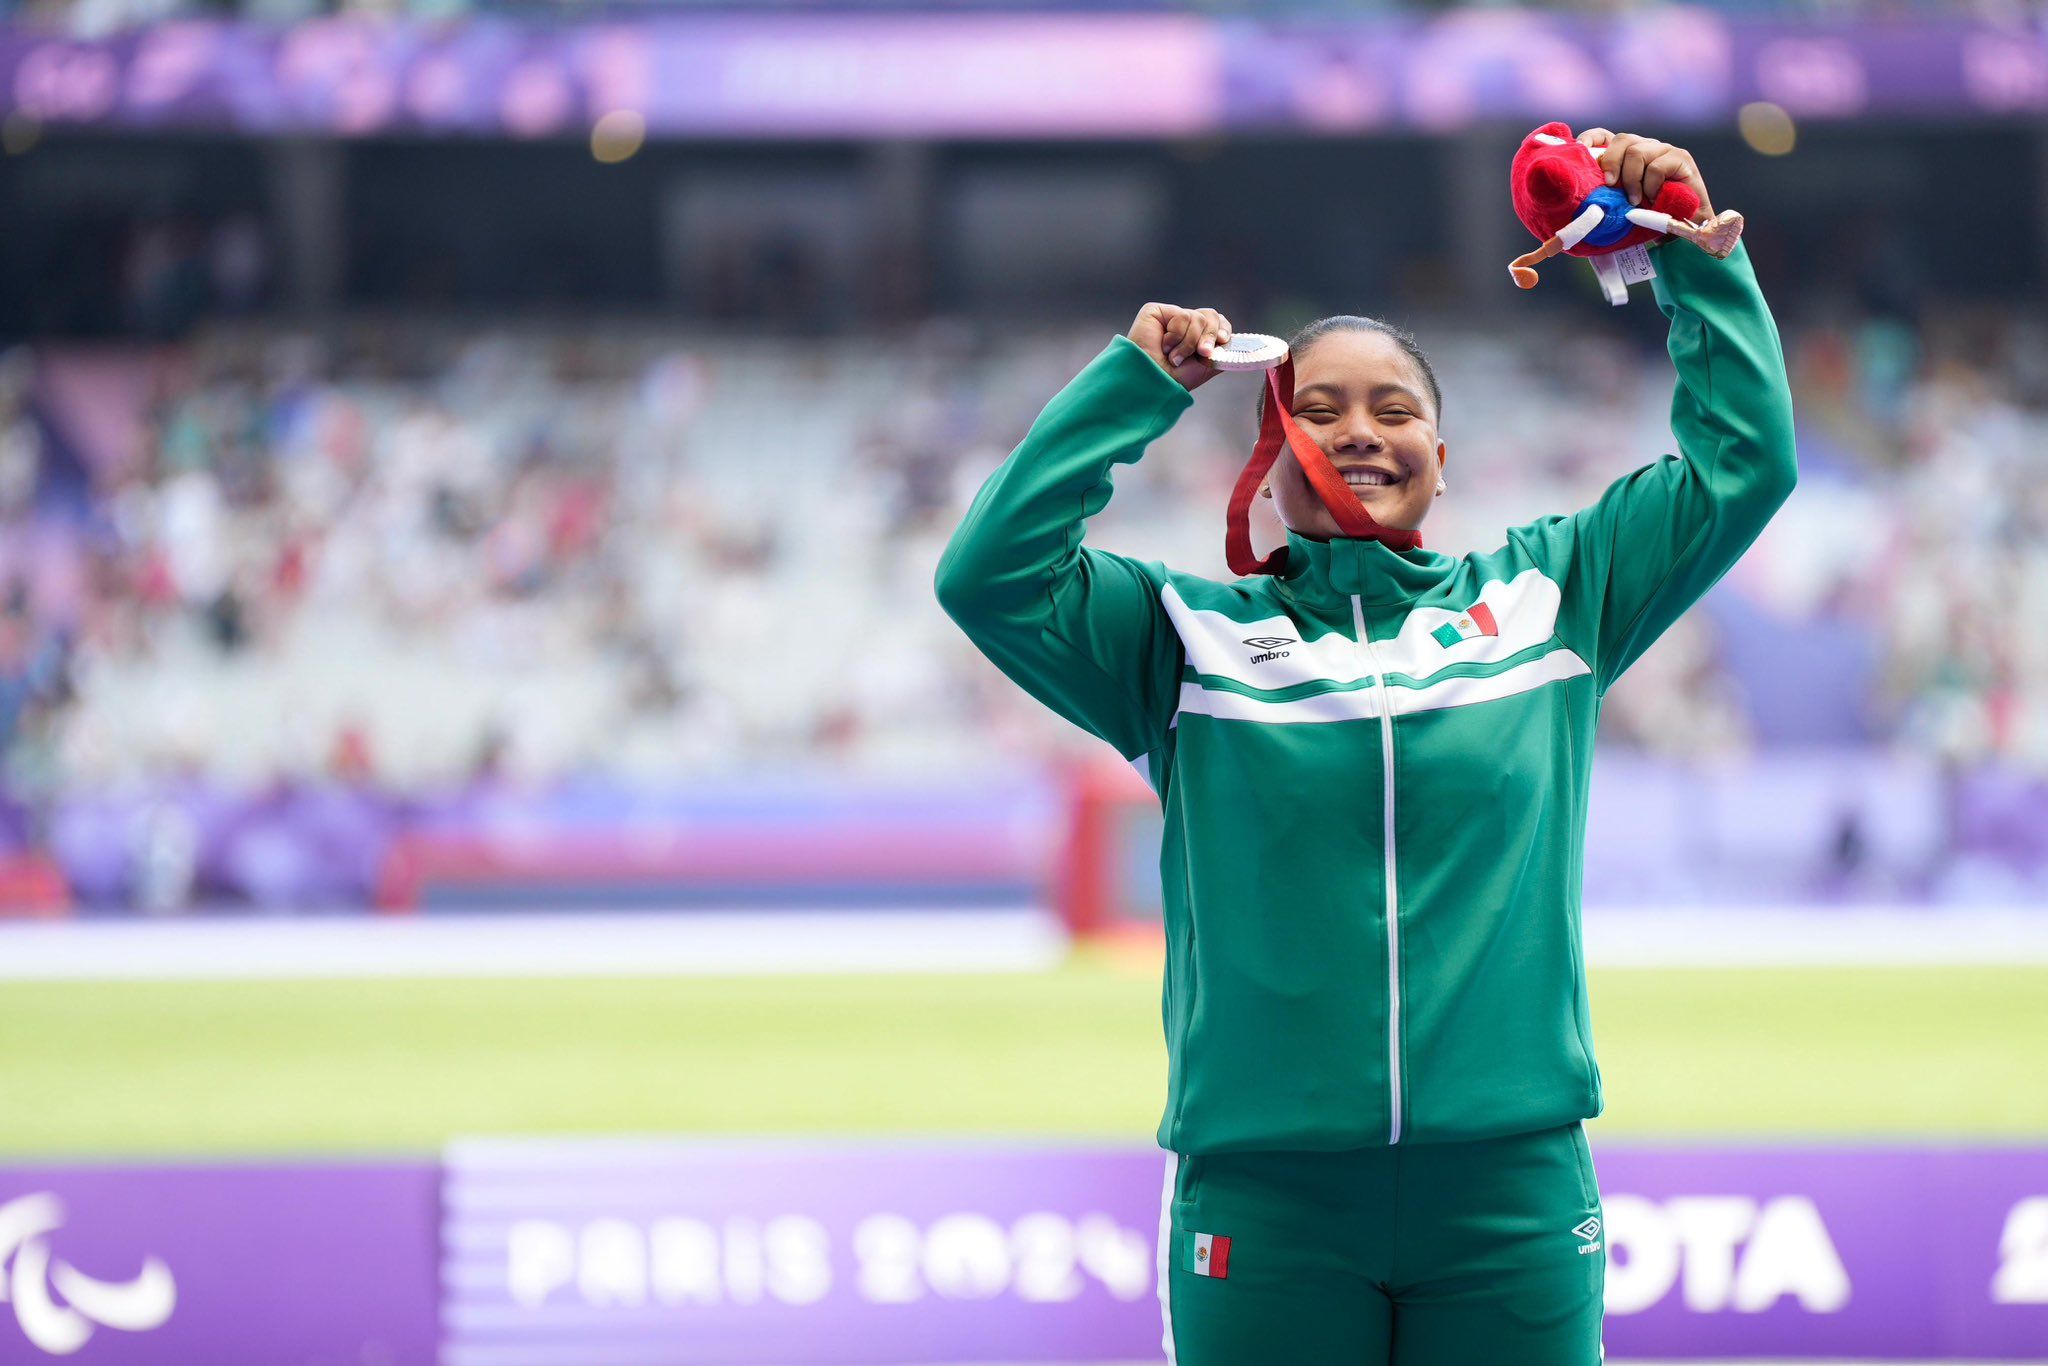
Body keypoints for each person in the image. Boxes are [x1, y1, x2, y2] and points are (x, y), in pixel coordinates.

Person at [934, 131, 1795, 1364]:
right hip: (1267, 1203)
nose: (1355, 431)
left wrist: (1687, 258)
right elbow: (989, 579)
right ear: (1266, 460)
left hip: (1510, 1196)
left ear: (1440, 463)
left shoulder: (1555, 595)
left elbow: (1744, 466)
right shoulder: (1180, 637)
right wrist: (1131, 387)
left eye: (1394, 410)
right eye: (1315, 410)